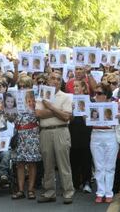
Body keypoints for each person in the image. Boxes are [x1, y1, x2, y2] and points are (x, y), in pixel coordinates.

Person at [35, 72, 75, 204]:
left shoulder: (66, 97)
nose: (55, 81)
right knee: (48, 164)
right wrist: (58, 111)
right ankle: (49, 192)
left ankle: (68, 193)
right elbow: (39, 113)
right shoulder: (41, 96)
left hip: (61, 131)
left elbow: (66, 117)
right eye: (52, 78)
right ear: (48, 80)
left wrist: (51, 107)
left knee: (64, 164)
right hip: (45, 132)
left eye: (58, 79)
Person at [89, 83, 118, 203]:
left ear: (106, 95)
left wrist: (119, 117)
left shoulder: (114, 105)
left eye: (100, 93)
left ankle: (109, 192)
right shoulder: (92, 106)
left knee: (110, 166)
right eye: (95, 93)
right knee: (99, 166)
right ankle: (100, 192)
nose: (96, 96)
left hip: (110, 135)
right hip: (96, 134)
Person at [11, 90, 41, 200]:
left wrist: (33, 106)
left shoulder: (36, 99)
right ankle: (20, 190)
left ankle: (31, 189)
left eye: (25, 85)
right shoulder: (16, 99)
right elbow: (11, 119)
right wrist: (7, 112)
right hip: (19, 134)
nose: (23, 87)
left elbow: (39, 116)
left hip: (32, 133)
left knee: (32, 162)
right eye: (21, 85)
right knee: (20, 163)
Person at [69, 80, 93, 194]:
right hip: (73, 133)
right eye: (74, 86)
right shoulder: (70, 100)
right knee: (74, 160)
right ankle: (75, 182)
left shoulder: (89, 101)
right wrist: (72, 111)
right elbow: (68, 119)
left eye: (77, 86)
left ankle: (87, 182)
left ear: (83, 88)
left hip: (86, 134)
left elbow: (91, 120)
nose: (75, 88)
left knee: (86, 160)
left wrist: (85, 115)